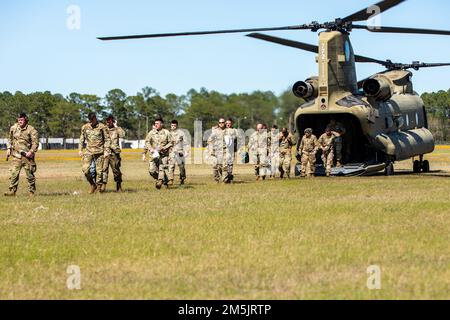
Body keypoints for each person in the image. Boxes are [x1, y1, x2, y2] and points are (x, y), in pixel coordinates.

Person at [4, 113, 39, 197]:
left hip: (27, 156)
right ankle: (12, 191)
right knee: (14, 174)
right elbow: (10, 139)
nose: (20, 121)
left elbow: (35, 143)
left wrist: (31, 151)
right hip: (16, 155)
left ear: (26, 120)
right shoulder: (14, 128)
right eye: (19, 120)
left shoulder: (31, 130)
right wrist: (8, 148)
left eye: (22, 120)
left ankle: (31, 192)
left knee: (30, 175)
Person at [79, 112, 111, 194]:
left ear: (95, 118)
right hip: (88, 151)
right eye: (90, 120)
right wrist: (80, 150)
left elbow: (107, 139)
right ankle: (93, 185)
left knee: (99, 171)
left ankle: (99, 189)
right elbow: (82, 139)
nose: (91, 122)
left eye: (92, 120)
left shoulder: (102, 127)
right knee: (85, 169)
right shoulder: (85, 127)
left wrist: (106, 150)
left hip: (100, 151)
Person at [143, 118, 173, 190]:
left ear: (161, 124)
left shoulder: (166, 132)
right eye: (155, 123)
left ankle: (159, 182)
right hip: (154, 154)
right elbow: (147, 142)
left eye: (157, 123)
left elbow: (171, 142)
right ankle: (163, 180)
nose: (156, 125)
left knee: (162, 168)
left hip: (164, 154)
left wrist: (164, 147)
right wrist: (150, 149)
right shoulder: (151, 132)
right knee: (151, 171)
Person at [104, 115, 126, 192]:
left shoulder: (116, 130)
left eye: (110, 121)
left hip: (114, 154)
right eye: (107, 121)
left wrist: (117, 126)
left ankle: (118, 185)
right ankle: (102, 187)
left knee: (116, 170)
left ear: (113, 121)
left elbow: (123, 135)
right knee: (104, 170)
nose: (108, 122)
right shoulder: (104, 129)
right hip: (105, 153)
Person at [207, 118, 229, 183]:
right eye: (220, 122)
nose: (221, 124)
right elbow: (209, 140)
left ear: (225, 123)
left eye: (222, 122)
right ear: (218, 123)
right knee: (216, 166)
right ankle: (216, 180)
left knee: (225, 166)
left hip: (225, 151)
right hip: (217, 151)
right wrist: (211, 149)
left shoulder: (228, 131)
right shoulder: (215, 131)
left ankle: (225, 180)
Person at [169, 120, 187, 185]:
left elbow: (185, 142)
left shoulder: (181, 133)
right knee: (171, 166)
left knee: (181, 167)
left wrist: (186, 151)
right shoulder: (169, 134)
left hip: (180, 151)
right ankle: (171, 179)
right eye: (172, 125)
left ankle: (182, 179)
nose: (173, 127)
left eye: (174, 125)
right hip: (172, 152)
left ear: (177, 126)